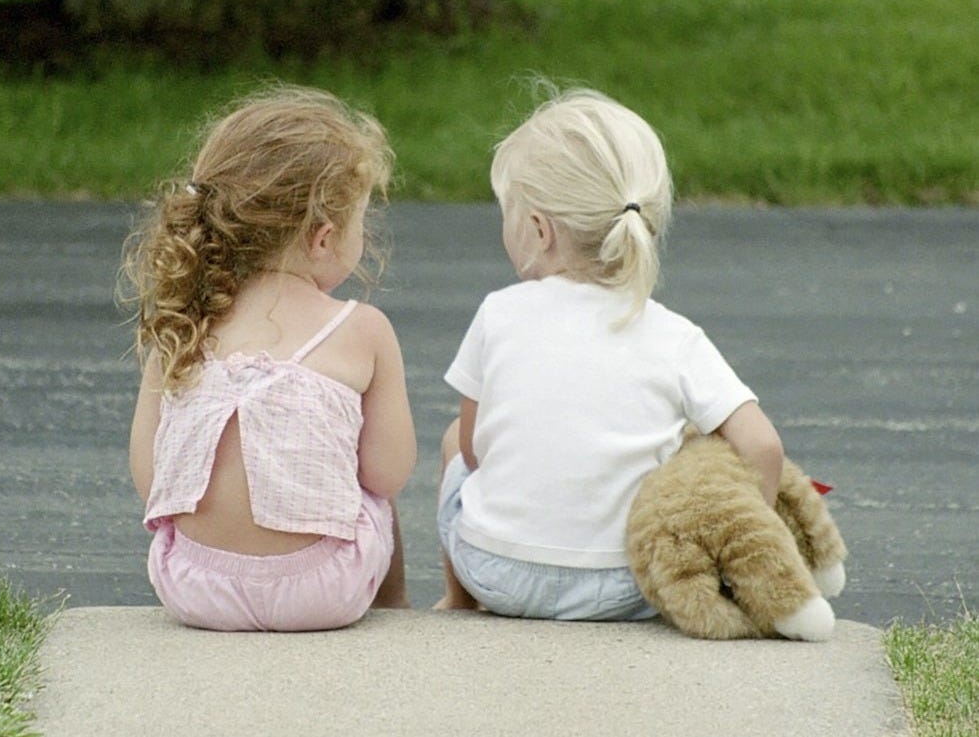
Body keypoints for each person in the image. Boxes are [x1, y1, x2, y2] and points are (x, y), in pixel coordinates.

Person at [436, 87, 785, 620]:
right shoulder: (674, 335)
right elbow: (762, 447)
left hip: (498, 572)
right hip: (634, 584)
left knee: (449, 447)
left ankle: (460, 600)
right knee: (689, 445)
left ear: (538, 229)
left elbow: (474, 449)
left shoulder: (499, 313)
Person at [121, 84, 417, 631]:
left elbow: (151, 478)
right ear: (323, 238)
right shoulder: (363, 328)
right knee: (375, 500)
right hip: (323, 591)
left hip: (192, 587)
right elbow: (388, 473)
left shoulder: (184, 323)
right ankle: (393, 606)